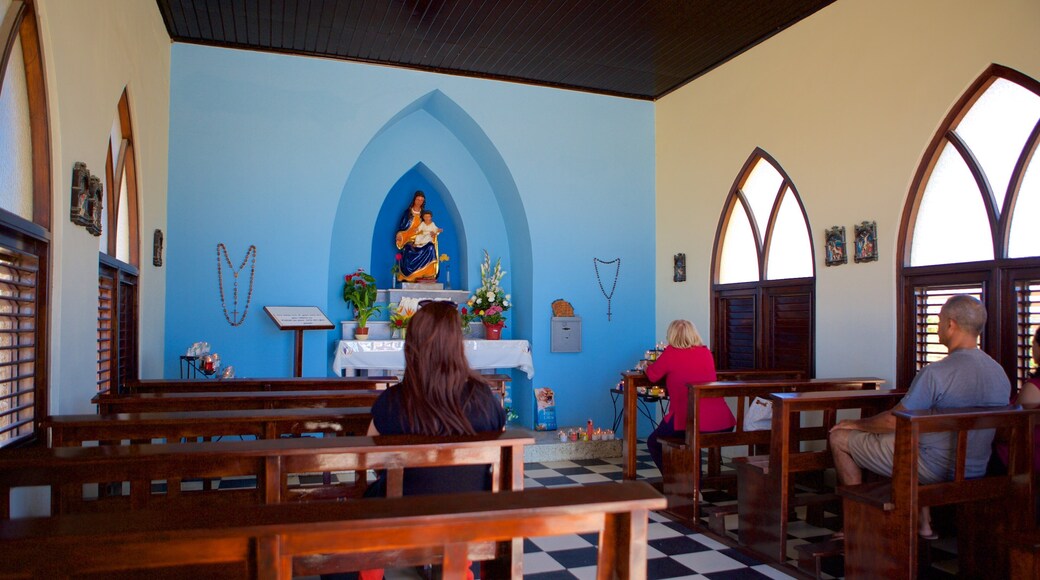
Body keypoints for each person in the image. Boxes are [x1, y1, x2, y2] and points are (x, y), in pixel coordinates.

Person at [323, 301, 506, 580]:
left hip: (400, 518)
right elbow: (498, 454)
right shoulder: (484, 398)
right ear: (458, 344)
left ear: (413, 345)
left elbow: (371, 455)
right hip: (468, 517)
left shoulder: (394, 401)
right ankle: (460, 569)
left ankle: (369, 572)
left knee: (351, 519)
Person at [829, 295, 1010, 539]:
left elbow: (894, 421)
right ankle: (923, 523)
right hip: (976, 467)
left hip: (934, 467)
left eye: (939, 321)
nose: (937, 328)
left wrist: (855, 423)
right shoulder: (999, 373)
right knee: (920, 440)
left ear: (951, 324)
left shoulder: (936, 372)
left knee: (840, 437)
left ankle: (855, 521)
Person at [644, 320, 735, 471]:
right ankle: (692, 484)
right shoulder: (705, 353)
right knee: (691, 441)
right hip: (721, 421)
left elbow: (653, 376)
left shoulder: (671, 353)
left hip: (687, 420)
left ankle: (675, 482)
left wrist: (646, 367)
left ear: (671, 336)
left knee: (654, 442)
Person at [995, 327, 1040, 472]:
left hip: (1023, 462)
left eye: (1034, 342)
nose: (1032, 346)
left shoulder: (1034, 388)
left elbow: (1015, 431)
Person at [395, 191, 441, 282]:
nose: (419, 202)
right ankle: (409, 276)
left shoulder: (424, 215)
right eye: (418, 199)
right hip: (409, 240)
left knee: (431, 247)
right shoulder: (407, 213)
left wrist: (433, 233)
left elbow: (430, 227)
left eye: (421, 200)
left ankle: (428, 274)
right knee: (408, 250)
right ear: (414, 200)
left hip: (422, 240)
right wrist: (400, 236)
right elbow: (402, 228)